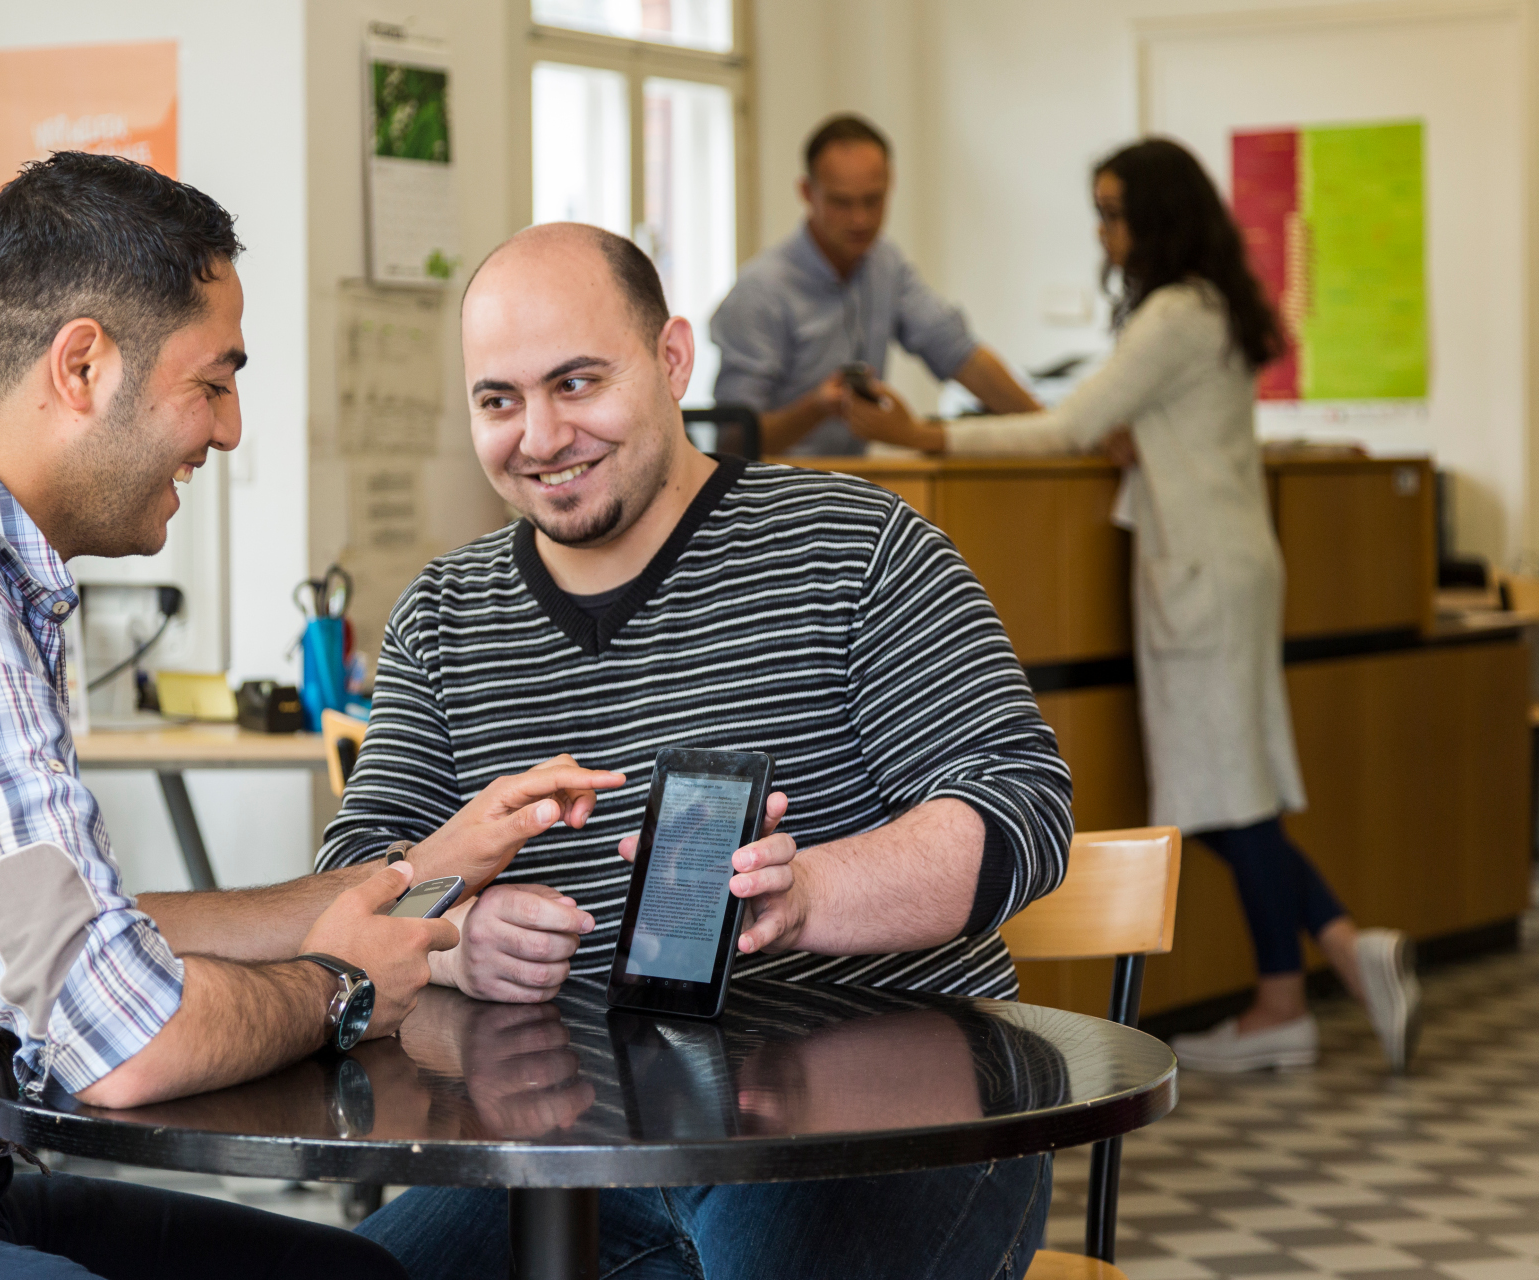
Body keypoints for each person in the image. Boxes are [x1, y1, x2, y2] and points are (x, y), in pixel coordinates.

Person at [0, 153, 617, 1280]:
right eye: (212, 381)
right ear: (82, 366)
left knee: (355, 1274)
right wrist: (345, 990)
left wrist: (417, 871)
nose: (230, 428)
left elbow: (78, 934)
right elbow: (126, 1037)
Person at [317, 220, 1075, 1279]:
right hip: (562, 1156)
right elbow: (352, 873)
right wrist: (456, 935)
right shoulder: (443, 618)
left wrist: (809, 891)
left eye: (577, 382)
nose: (539, 435)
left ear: (672, 360)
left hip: (890, 1134)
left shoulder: (859, 547)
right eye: (499, 400)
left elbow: (1021, 808)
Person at [858, 137, 1422, 1074]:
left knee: (1220, 799)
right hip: (1229, 565)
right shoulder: (1210, 307)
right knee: (1233, 792)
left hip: (1200, 575)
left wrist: (926, 435)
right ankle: (1333, 960)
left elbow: (1074, 425)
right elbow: (1129, 426)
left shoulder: (1172, 314)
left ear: (1155, 216)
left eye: (1115, 212)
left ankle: (1298, 989)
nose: (1103, 231)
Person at [710, 113, 1040, 456]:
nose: (860, 219)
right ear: (807, 192)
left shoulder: (884, 264)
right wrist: (816, 408)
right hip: (772, 495)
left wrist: (1050, 430)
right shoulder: (760, 291)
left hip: (852, 484)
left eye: (873, 200)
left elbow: (957, 351)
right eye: (841, 202)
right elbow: (733, 441)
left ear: (890, 185)